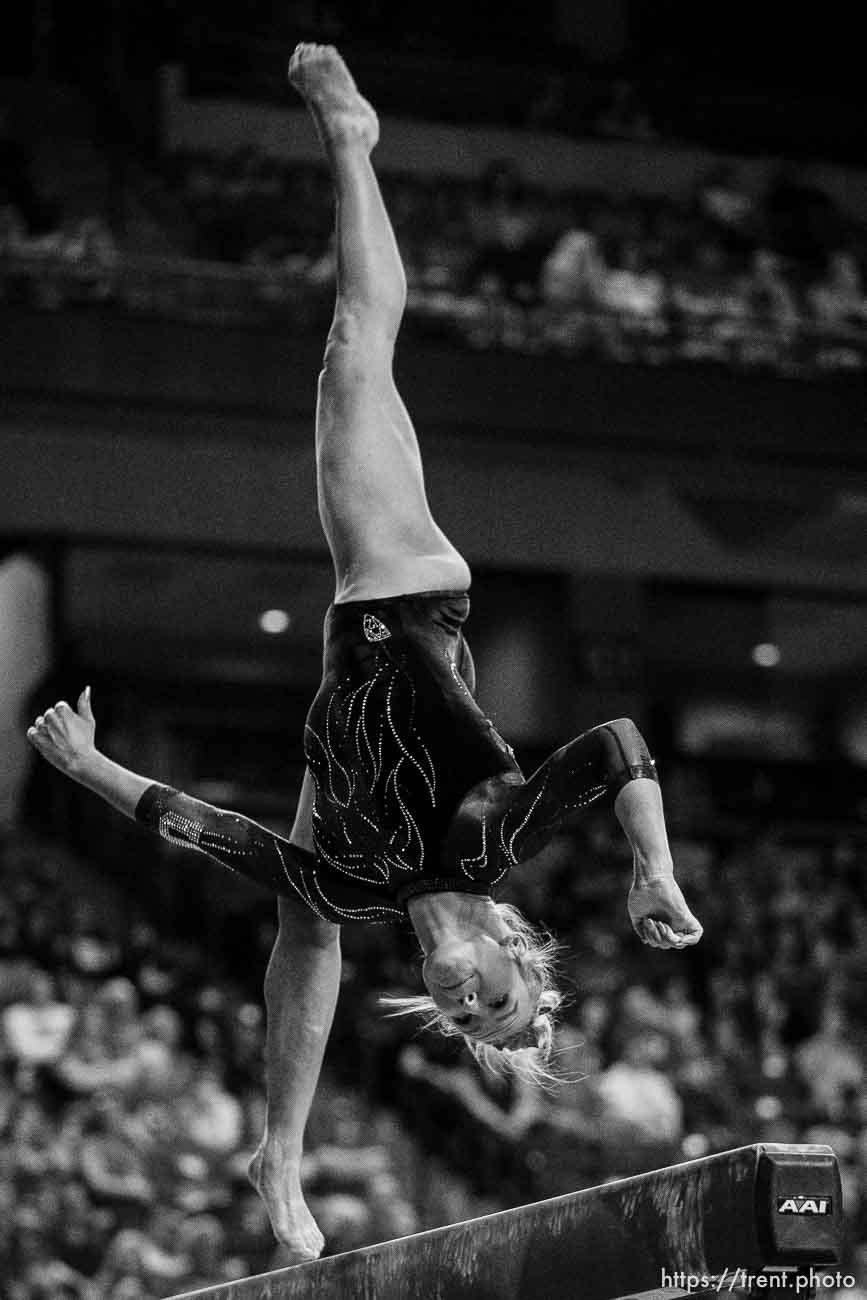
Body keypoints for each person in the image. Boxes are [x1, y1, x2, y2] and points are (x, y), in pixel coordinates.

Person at [26, 44, 703, 1262]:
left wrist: (89, 772)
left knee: (303, 920)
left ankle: (278, 1151)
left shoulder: (361, 885)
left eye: (461, 1015)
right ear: (509, 943)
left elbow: (219, 834)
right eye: (493, 991)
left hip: (357, 643)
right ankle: (351, 139)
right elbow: (616, 742)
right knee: (352, 342)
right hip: (404, 589)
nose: (462, 996)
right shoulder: (491, 835)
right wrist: (653, 868)